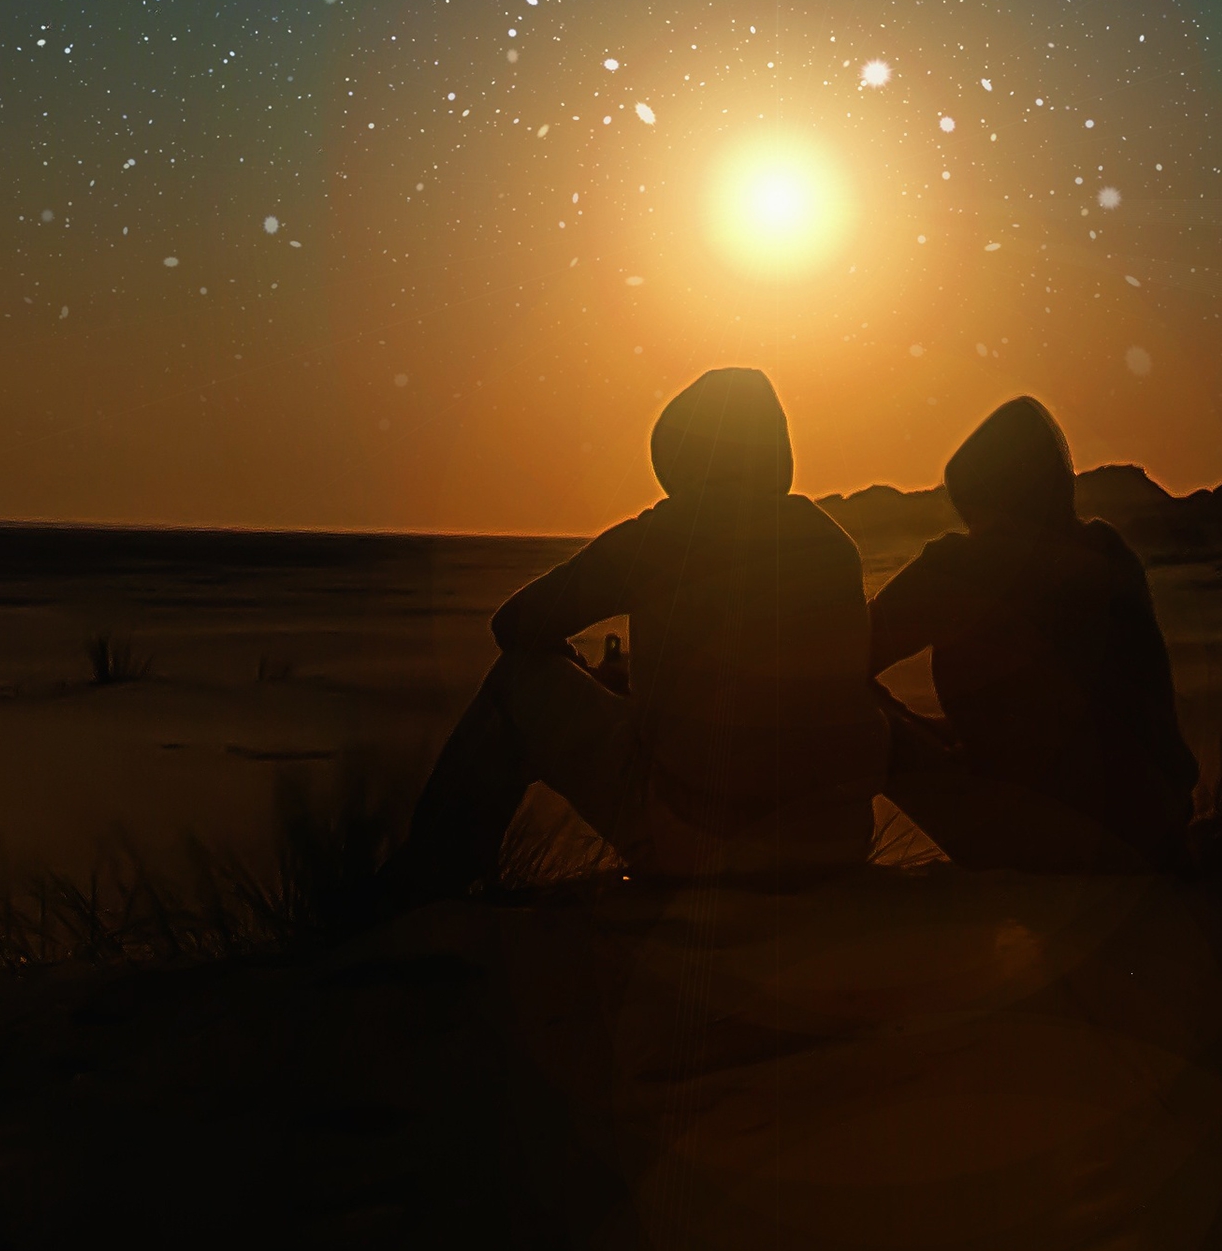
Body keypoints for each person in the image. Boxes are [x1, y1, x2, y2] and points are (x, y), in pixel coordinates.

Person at [374, 367, 887, 900]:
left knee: (519, 681)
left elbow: (515, 625)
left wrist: (576, 672)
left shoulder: (667, 535)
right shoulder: (830, 542)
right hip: (837, 839)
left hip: (706, 843)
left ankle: (426, 888)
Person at [869, 397, 1198, 875]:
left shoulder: (961, 567)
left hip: (1050, 842)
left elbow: (841, 655)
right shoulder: (1109, 552)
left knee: (832, 703)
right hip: (1155, 832)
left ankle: (789, 874)